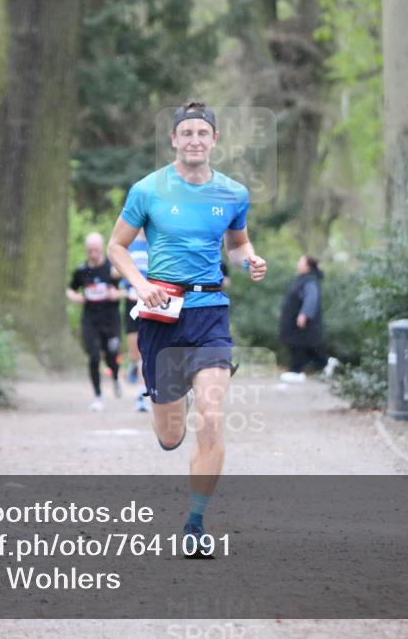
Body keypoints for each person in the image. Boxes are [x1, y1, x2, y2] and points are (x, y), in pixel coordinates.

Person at [108, 101, 267, 557]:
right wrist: (140, 286)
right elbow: (118, 246)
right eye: (187, 133)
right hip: (162, 314)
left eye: (203, 133)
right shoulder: (148, 190)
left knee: (212, 417)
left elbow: (237, 244)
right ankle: (161, 415)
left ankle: (195, 522)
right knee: (172, 435)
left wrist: (249, 260)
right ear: (175, 140)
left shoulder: (233, 193)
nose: (195, 139)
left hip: (210, 312)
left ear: (214, 140)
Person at [67, 232, 125, 411]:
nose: (93, 254)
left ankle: (115, 375)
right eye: (90, 250)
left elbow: (129, 290)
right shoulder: (82, 270)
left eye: (97, 250)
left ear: (102, 249)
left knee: (110, 354)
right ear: (86, 250)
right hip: (90, 319)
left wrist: (117, 294)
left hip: (110, 319)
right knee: (93, 356)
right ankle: (98, 396)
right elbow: (70, 289)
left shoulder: (112, 269)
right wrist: (76, 297)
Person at [279, 255, 338, 382]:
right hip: (294, 320)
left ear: (307, 265)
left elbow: (311, 298)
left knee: (299, 344)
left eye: (300, 261)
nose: (298, 263)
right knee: (307, 347)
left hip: (302, 321)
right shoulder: (302, 279)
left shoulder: (309, 281)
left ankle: (296, 371)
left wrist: (304, 314)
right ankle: (327, 362)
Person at [122, 229, 150, 412]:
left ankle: (141, 394)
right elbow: (117, 272)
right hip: (132, 301)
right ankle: (133, 366)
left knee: (145, 351)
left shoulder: (157, 242)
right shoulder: (129, 244)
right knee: (135, 354)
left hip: (151, 303)